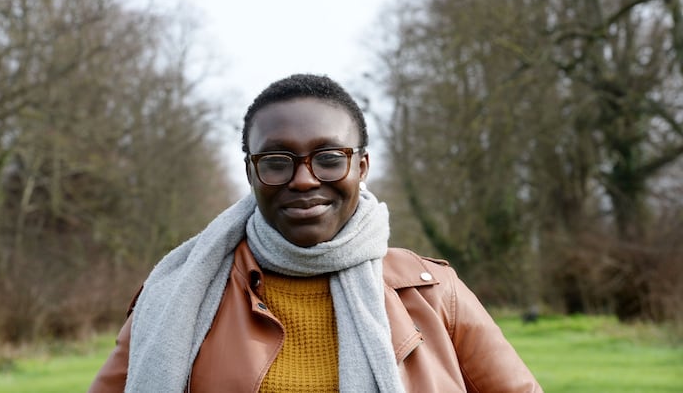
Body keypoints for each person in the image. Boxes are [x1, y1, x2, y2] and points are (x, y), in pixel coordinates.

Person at [88, 74, 543, 392]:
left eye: (328, 158)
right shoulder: (176, 296)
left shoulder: (435, 293)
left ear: (361, 166)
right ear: (251, 173)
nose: (304, 180)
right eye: (276, 161)